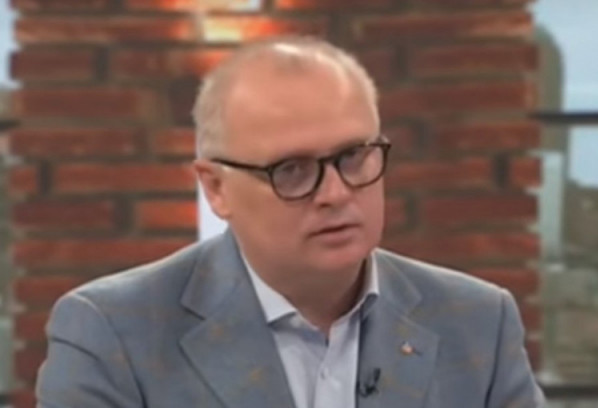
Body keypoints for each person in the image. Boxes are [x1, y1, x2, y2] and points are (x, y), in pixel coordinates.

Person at [36, 36, 545, 408]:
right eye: (292, 170)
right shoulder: (111, 333)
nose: (335, 193)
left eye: (353, 157)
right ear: (216, 188)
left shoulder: (478, 321)